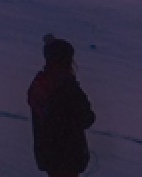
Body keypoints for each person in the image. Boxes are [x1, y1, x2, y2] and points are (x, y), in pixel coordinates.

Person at [27, 34, 96, 177]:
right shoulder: (66, 86)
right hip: (68, 156)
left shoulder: (39, 84)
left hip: (48, 155)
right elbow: (87, 118)